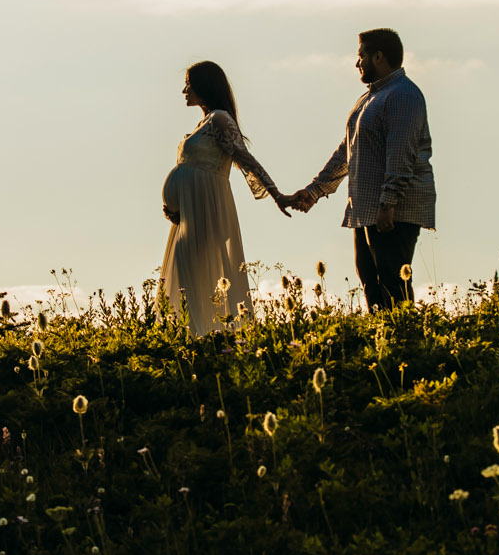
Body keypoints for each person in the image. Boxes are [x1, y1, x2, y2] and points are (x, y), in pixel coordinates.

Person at [289, 28, 434, 309]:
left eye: (361, 56)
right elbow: (346, 152)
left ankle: (404, 344)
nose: (357, 63)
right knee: (370, 282)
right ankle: (382, 343)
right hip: (366, 208)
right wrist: (315, 191)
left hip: (393, 212)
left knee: (393, 283)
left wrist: (388, 202)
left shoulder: (403, 96)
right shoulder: (368, 100)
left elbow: (401, 153)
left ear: (378, 56)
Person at [158, 61, 290, 336]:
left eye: (189, 83)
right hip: (189, 215)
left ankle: (204, 338)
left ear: (204, 86)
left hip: (205, 210)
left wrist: (276, 195)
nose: (184, 89)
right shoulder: (203, 122)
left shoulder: (219, 119)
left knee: (197, 277)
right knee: (187, 275)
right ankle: (191, 337)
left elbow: (245, 159)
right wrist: (173, 203)